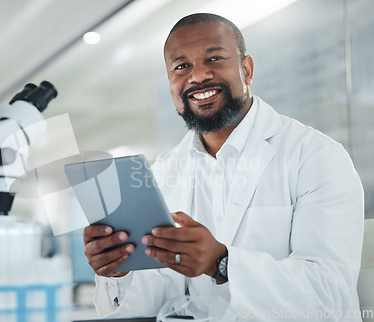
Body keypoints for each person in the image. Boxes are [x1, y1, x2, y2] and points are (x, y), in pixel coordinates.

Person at [83, 13, 364, 321]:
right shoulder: (163, 172)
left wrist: (221, 263)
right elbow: (159, 299)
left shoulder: (316, 156)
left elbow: (329, 295)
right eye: (181, 66)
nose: (198, 76)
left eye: (214, 58)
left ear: (247, 69)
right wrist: (121, 271)